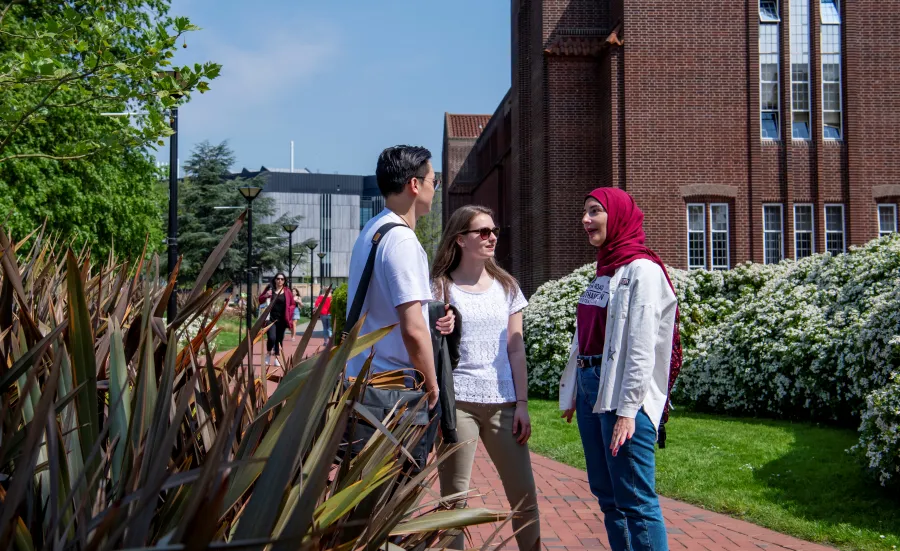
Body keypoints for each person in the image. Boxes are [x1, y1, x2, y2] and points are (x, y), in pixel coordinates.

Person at [559, 188, 680, 551]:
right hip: (591, 385)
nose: (586, 220)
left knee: (636, 501)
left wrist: (628, 412)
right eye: (584, 212)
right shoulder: (604, 270)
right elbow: (587, 336)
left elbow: (642, 348)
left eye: (595, 211)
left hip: (623, 394)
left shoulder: (642, 270)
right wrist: (574, 390)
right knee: (608, 496)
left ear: (619, 216)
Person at [432, 206, 540, 551]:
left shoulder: (507, 286)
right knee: (454, 501)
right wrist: (439, 327)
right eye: (483, 231)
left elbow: (516, 350)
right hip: (458, 403)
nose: (492, 236)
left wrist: (522, 404)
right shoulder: (439, 288)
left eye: (493, 231)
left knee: (524, 496)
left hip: (504, 405)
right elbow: (422, 341)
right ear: (460, 239)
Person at [346, 145, 454, 442]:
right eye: (435, 181)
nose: (436, 189)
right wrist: (432, 391)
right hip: (393, 394)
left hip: (362, 384)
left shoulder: (372, 231)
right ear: (415, 185)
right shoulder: (402, 241)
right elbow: (413, 328)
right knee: (396, 484)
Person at [258, 272, 296, 368]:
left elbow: (292, 304)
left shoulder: (287, 291)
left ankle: (277, 358)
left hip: (282, 319)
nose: (280, 281)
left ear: (284, 281)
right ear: (275, 280)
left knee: (279, 339)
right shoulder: (270, 289)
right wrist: (266, 295)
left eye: (282, 279)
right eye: (278, 279)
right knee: (272, 338)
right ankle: (268, 353)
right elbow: (260, 300)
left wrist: (289, 311)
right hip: (270, 319)